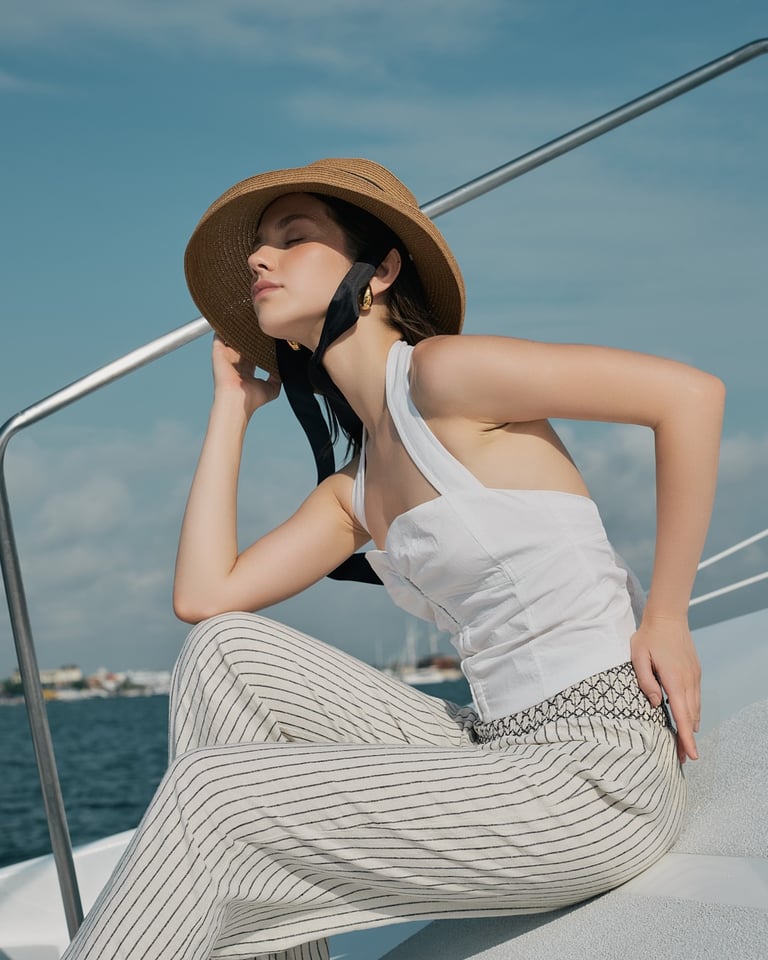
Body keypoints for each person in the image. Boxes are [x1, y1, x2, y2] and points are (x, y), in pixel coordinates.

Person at [61, 158, 724, 960]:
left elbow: (688, 397)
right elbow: (206, 596)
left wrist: (666, 617)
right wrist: (231, 408)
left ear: (378, 273)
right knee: (225, 651)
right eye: (256, 251)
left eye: (292, 239)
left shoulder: (443, 374)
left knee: (212, 797)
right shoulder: (358, 487)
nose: (258, 261)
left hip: (596, 774)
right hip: (495, 747)